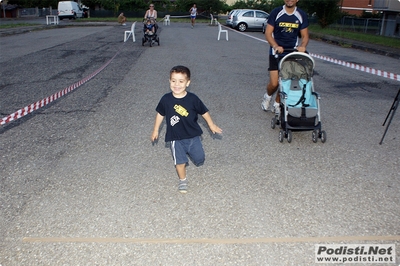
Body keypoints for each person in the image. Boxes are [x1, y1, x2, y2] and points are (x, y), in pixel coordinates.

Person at [151, 65, 222, 194]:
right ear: (169, 81)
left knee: (199, 159)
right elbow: (160, 114)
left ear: (188, 83)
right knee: (180, 161)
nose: (176, 84)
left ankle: (191, 153)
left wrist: (211, 125)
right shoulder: (166, 99)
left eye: (181, 81)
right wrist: (156, 130)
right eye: (173, 81)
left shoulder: (193, 99)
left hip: (193, 135)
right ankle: (182, 180)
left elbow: (204, 112)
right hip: (175, 138)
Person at [261, 0, 309, 116]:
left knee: (286, 82)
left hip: (291, 53)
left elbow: (305, 35)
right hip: (276, 52)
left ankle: (277, 103)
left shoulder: (301, 15)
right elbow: (268, 33)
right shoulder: (276, 12)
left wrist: (302, 46)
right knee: (274, 83)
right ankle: (267, 97)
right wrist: (275, 45)